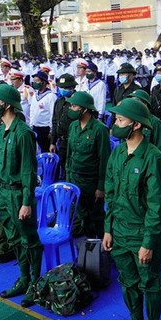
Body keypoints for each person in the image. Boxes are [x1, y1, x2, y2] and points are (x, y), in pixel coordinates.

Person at [103, 98, 161, 320]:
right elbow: (110, 192)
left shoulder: (153, 158)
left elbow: (157, 206)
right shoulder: (117, 152)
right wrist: (107, 229)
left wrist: (149, 242)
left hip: (142, 235)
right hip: (119, 232)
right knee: (128, 283)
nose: (114, 124)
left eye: (119, 120)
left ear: (136, 124)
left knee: (150, 284)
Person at [0, 83, 43, 302]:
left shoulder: (23, 133)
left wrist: (27, 202)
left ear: (7, 105)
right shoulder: (0, 130)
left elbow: (29, 171)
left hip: (19, 195)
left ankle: (35, 283)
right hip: (2, 193)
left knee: (29, 240)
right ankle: (23, 278)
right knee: (14, 238)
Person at [64, 91, 111, 239]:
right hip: (75, 179)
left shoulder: (99, 129)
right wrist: (68, 178)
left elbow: (104, 160)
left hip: (91, 182)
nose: (70, 109)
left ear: (84, 109)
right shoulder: (73, 126)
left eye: (74, 106)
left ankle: (104, 245)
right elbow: (69, 155)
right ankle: (90, 248)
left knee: (96, 216)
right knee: (80, 215)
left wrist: (101, 187)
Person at [49, 73, 77, 164]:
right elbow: (55, 121)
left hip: (75, 142)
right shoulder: (59, 101)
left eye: (65, 88)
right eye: (61, 87)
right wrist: (53, 142)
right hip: (61, 142)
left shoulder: (78, 102)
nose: (62, 90)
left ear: (72, 87)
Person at [28, 70, 54, 152]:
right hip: (36, 127)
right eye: (34, 81)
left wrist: (51, 130)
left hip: (45, 128)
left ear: (43, 82)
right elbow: (32, 110)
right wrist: (31, 125)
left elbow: (52, 113)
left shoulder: (51, 96)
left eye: (37, 81)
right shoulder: (35, 95)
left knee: (46, 150)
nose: (35, 83)